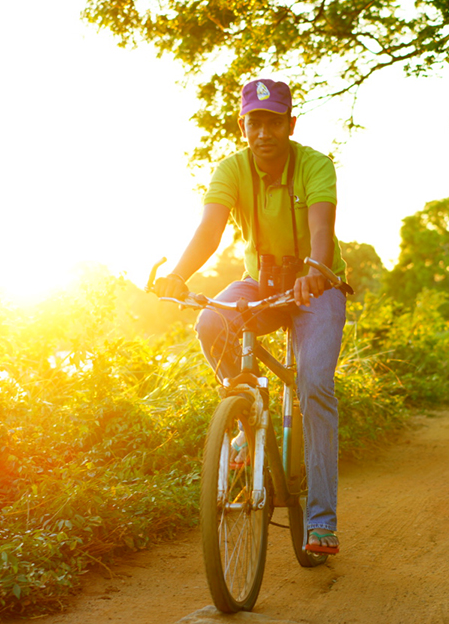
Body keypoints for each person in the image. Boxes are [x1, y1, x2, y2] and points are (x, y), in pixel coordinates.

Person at [152, 78, 349, 555]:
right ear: (243, 126)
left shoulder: (315, 166)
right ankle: (247, 420)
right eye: (254, 122)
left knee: (314, 383)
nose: (264, 132)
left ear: (290, 124)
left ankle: (321, 519)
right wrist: (178, 275)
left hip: (316, 288)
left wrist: (316, 272)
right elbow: (209, 230)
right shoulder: (231, 170)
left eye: (273, 122)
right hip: (261, 285)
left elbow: (322, 229)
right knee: (210, 321)